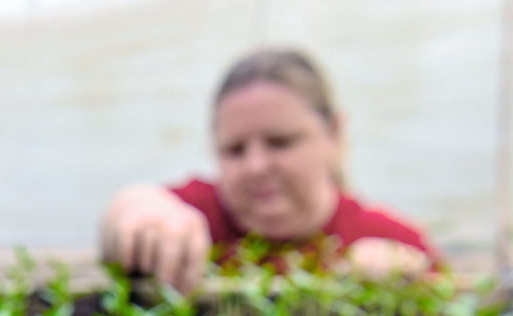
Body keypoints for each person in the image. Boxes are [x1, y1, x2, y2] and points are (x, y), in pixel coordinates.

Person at [100, 48, 440, 293]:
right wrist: (139, 209)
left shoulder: (388, 237)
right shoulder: (200, 215)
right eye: (235, 150)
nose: (256, 166)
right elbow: (133, 209)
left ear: (334, 133)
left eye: (280, 142)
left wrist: (408, 283)